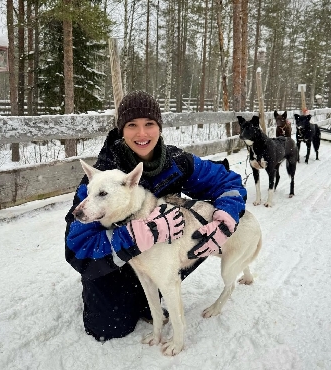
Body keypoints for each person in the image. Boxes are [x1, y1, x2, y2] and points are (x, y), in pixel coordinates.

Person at [65, 90, 247, 342]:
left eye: (149, 124)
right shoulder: (103, 176)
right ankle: (120, 293)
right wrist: (133, 236)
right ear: (121, 129)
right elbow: (77, 248)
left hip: (159, 252)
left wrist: (227, 215)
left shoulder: (177, 161)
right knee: (109, 326)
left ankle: (154, 288)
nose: (142, 133)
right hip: (114, 262)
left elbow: (227, 182)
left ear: (159, 127)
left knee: (187, 243)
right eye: (132, 125)